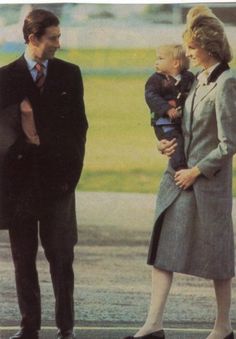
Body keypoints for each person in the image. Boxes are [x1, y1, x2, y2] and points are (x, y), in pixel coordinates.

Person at [124, 6, 236, 339]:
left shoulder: (227, 83)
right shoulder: (198, 79)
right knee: (163, 248)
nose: (187, 53)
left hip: (206, 183)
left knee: (218, 256)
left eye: (192, 47)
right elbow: (178, 125)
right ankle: (153, 324)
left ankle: (223, 327)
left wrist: (196, 172)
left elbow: (230, 143)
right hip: (177, 177)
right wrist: (164, 144)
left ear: (209, 48)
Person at [0, 8, 88, 339]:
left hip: (59, 184)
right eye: (53, 38)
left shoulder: (69, 74)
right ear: (33, 38)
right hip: (19, 187)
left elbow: (79, 128)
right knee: (23, 261)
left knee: (62, 259)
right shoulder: (5, 77)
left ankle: (66, 328)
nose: (58, 44)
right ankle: (29, 328)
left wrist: (70, 177)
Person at [145, 44, 194, 170]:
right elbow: (151, 96)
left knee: (185, 142)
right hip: (165, 123)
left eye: (161, 59)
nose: (156, 62)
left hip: (181, 121)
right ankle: (180, 169)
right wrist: (167, 108)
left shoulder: (188, 78)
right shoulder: (155, 80)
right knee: (175, 144)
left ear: (175, 63)